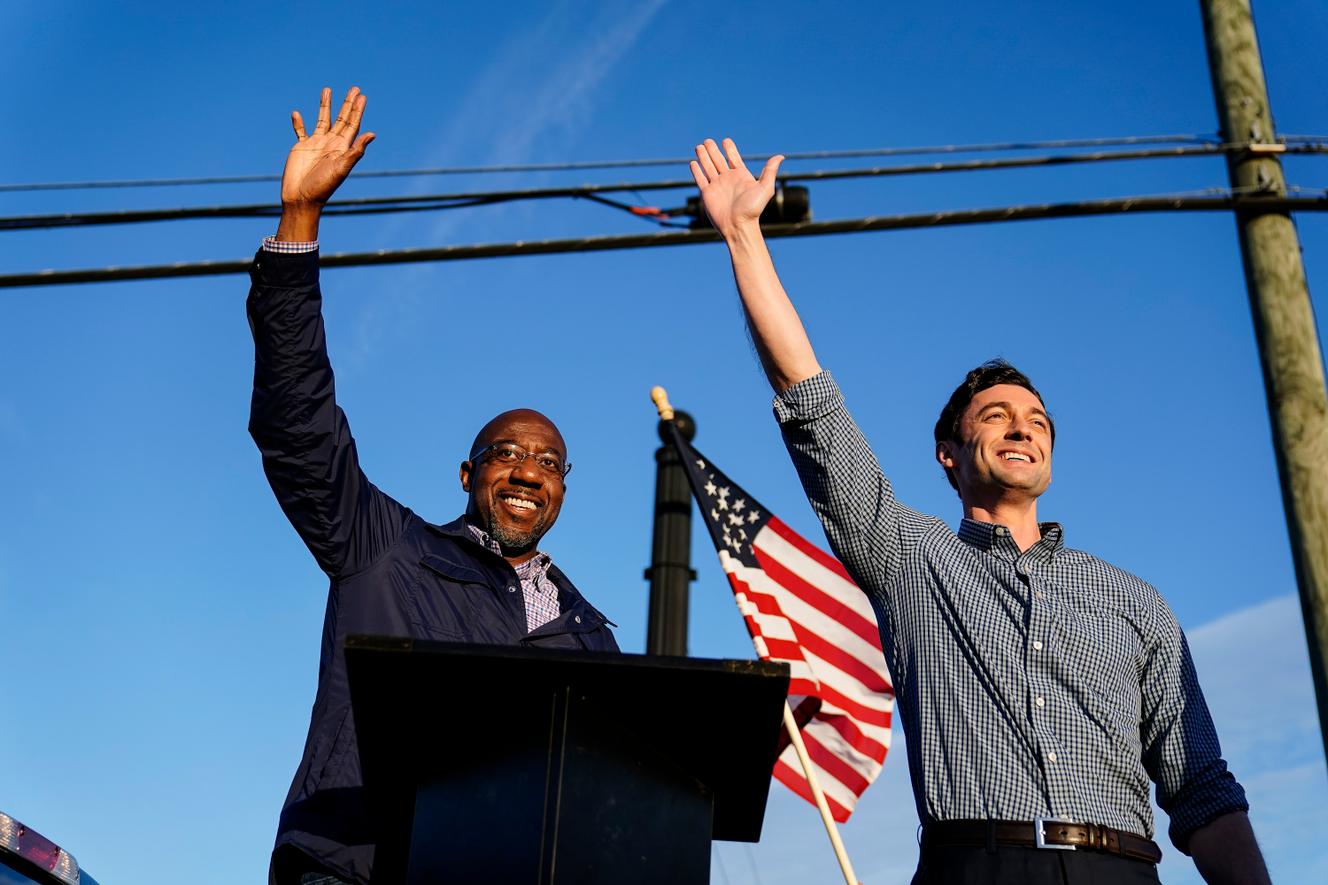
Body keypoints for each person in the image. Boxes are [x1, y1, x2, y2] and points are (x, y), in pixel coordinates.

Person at [689, 137, 1271, 885]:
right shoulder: (909, 555)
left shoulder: (1138, 603)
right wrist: (744, 236)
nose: (1021, 425)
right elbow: (811, 403)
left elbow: (1203, 790)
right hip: (974, 863)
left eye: (1035, 417)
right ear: (949, 453)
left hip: (1122, 869)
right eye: (995, 415)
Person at [248, 87, 620, 885]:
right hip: (354, 867)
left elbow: (609, 788)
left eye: (548, 462)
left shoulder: (591, 634)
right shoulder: (384, 548)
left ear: (564, 489)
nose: (527, 471)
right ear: (468, 473)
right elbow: (297, 424)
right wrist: (299, 225)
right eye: (505, 453)